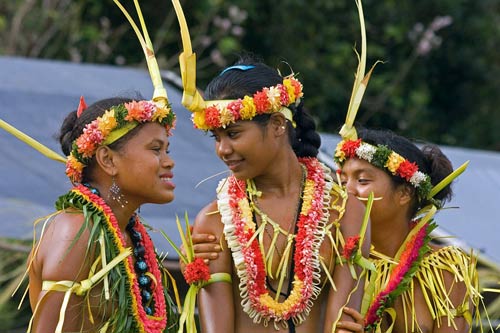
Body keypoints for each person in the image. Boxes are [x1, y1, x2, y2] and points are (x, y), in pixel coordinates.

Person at [180, 55, 370, 333]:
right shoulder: (214, 222)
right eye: (216, 138)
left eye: (233, 134)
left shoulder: (344, 211)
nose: (222, 150)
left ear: (279, 124)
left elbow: (343, 321)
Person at [23, 95, 178, 332]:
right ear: (108, 159)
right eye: (156, 149)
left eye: (167, 150)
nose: (169, 162)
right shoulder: (76, 232)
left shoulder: (127, 233)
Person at [334, 128, 481, 333]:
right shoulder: (334, 261)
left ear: (404, 193)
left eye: (362, 181)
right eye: (342, 182)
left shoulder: (445, 270)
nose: (346, 190)